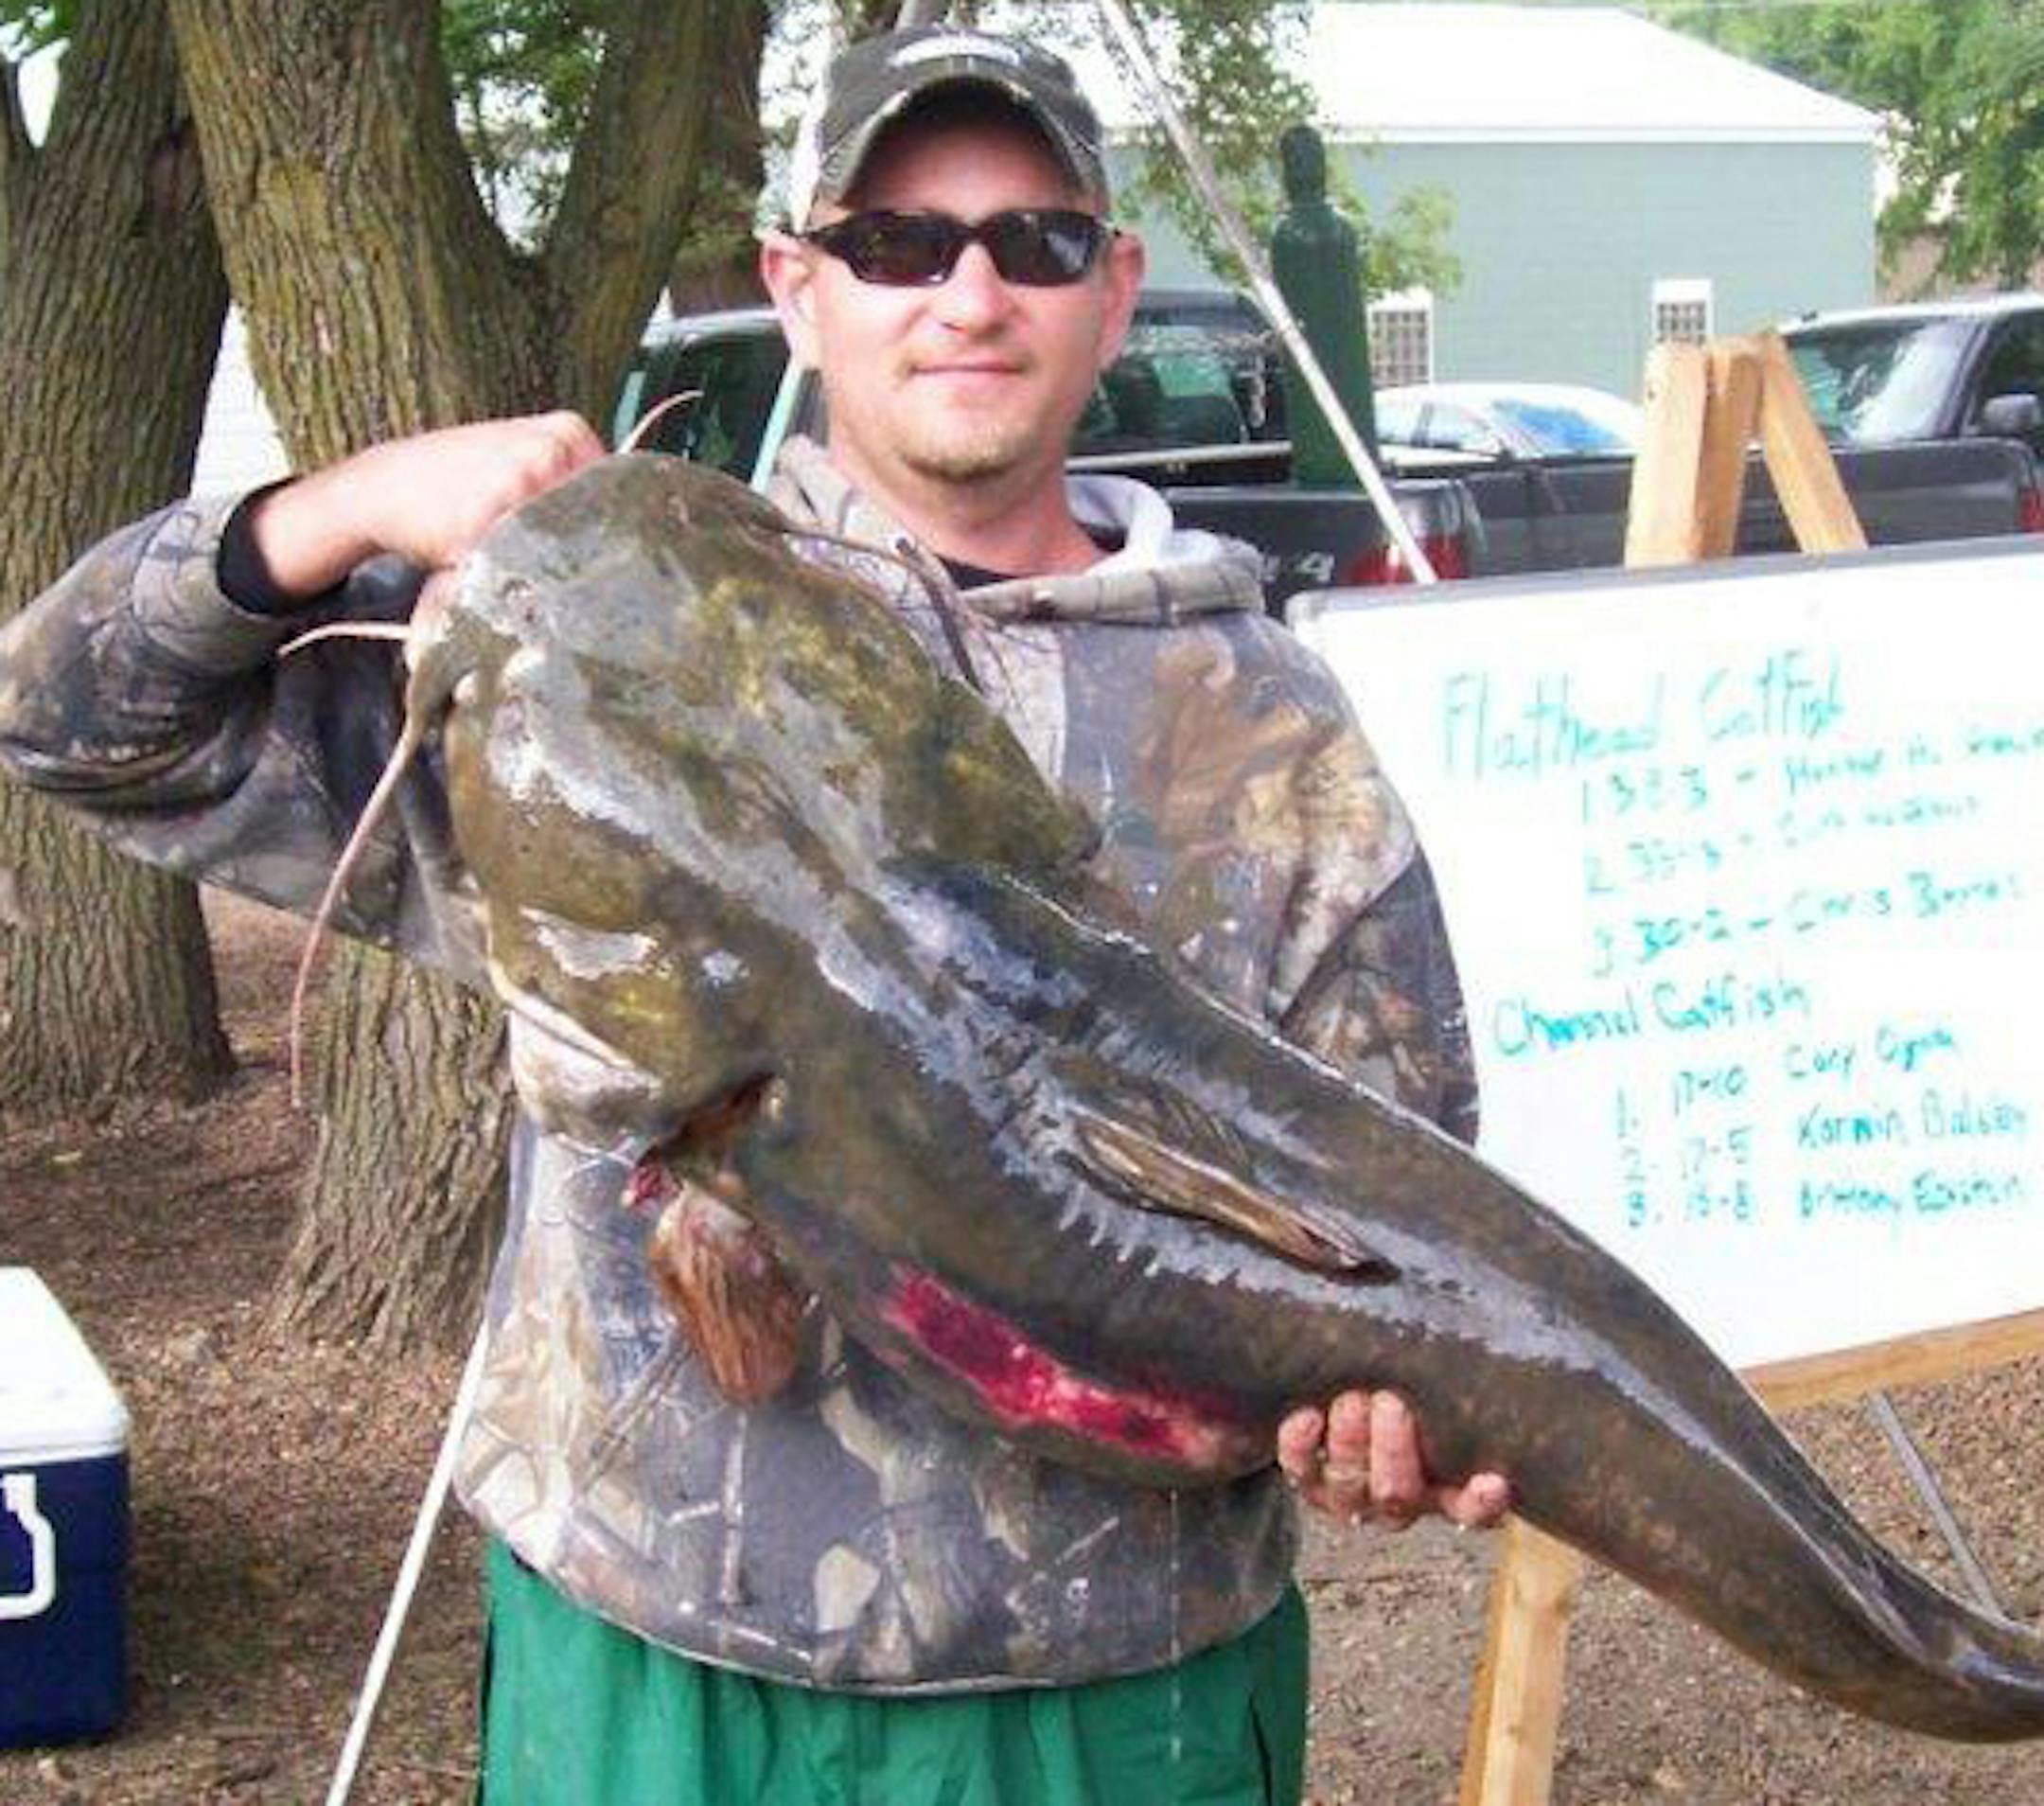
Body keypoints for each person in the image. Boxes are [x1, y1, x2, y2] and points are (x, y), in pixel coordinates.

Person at [0, 25, 1507, 1805]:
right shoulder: (595, 653)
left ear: (1112, 292)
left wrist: (1376, 1420)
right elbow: (72, 725)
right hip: (651, 1668)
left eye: (1029, 244)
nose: (966, 295)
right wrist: (324, 512)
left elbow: (1408, 1205)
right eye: (896, 244)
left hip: (1115, 1699)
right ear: (798, 287)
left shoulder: (1271, 732)